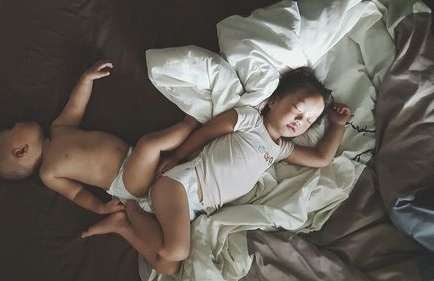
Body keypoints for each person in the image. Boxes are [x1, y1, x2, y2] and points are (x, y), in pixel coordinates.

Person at [80, 67, 352, 276]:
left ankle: (121, 226)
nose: (299, 121)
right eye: (297, 110)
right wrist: (177, 155)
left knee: (169, 267)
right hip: (180, 184)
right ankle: (131, 207)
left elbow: (321, 158)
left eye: (309, 121)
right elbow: (207, 132)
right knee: (176, 249)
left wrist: (337, 125)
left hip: (194, 207)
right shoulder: (249, 120)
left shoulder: (280, 150)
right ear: (274, 100)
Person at [0, 60, 200, 216]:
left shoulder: (58, 128)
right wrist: (100, 207)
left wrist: (85, 80)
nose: (18, 121)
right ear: (21, 151)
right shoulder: (48, 173)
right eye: (12, 127)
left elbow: (76, 106)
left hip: (132, 160)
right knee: (149, 145)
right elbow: (76, 194)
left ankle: (190, 142)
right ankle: (190, 123)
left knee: (151, 152)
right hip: (125, 180)